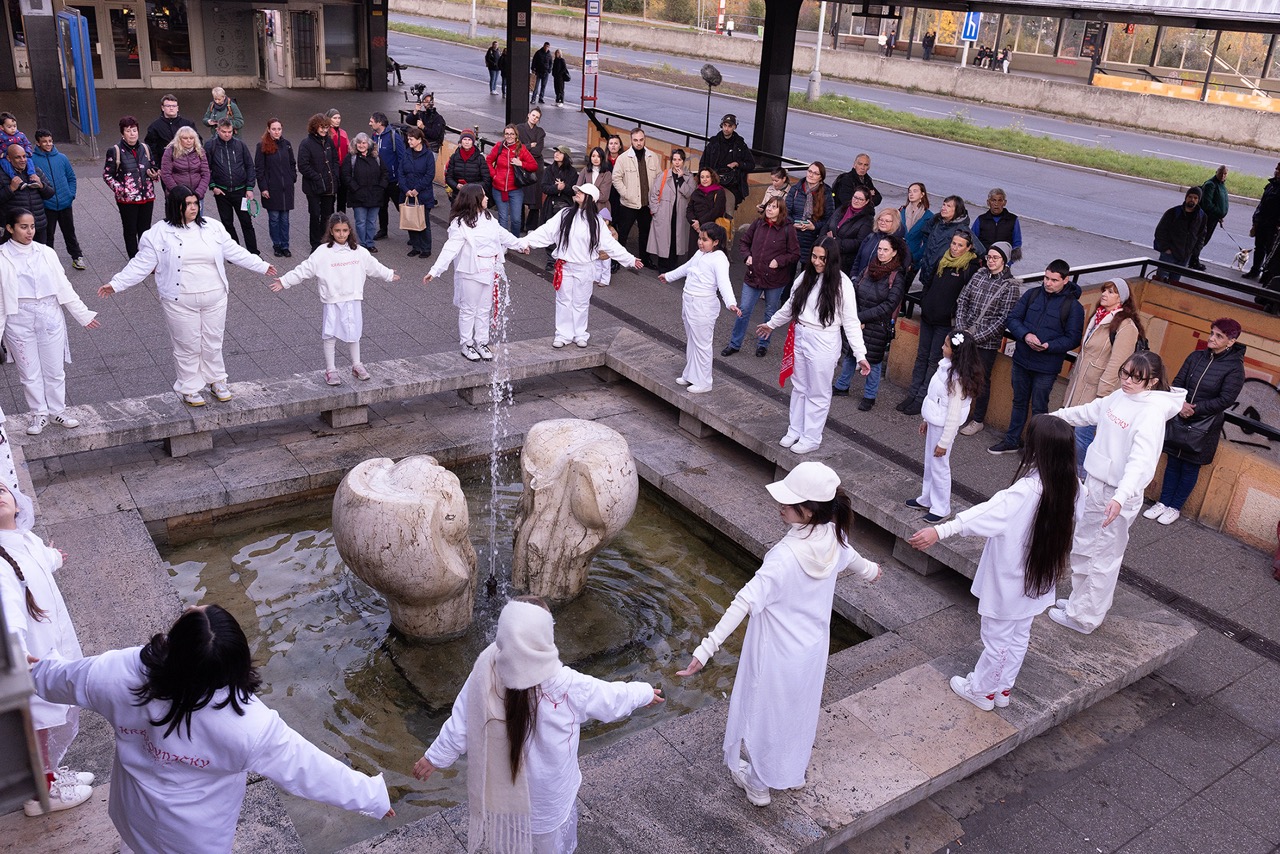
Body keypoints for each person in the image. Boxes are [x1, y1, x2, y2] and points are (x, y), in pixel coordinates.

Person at [32, 605, 393, 851]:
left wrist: (37, 668)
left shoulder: (119, 673)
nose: (193, 605)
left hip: (133, 812)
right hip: (196, 835)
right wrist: (372, 797)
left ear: (173, 646)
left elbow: (60, 679)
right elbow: (310, 769)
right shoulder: (248, 725)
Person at [677, 462, 880, 807]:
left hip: (775, 653)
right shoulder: (833, 538)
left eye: (789, 502)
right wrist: (874, 572)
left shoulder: (784, 557)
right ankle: (791, 771)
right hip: (811, 650)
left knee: (765, 715)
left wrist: (704, 650)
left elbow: (743, 602)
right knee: (798, 712)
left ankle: (758, 783)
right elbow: (858, 561)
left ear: (810, 510)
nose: (781, 507)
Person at [416, 597, 660, 851]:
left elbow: (463, 721)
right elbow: (612, 699)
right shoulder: (566, 685)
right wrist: (644, 693)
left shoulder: (488, 668)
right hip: (549, 797)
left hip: (506, 795)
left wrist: (435, 757)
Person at [908, 415, 1078, 710]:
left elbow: (983, 515)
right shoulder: (1073, 486)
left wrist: (939, 530)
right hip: (1040, 574)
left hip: (1009, 576)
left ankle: (982, 690)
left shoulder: (1024, 492)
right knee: (1019, 634)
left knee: (997, 638)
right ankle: (1003, 689)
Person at [99, 185, 276, 407]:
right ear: (176, 206)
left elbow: (233, 250)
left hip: (215, 296)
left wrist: (261, 265)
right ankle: (190, 387)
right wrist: (116, 284)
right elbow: (140, 265)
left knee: (213, 341)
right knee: (187, 345)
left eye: (195, 203)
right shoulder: (158, 234)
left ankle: (216, 380)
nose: (194, 208)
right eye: (188, 204)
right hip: (179, 300)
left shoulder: (213, 227)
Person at [1048, 352, 1186, 634]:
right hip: (1098, 482)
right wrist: (1054, 418)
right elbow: (1090, 411)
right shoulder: (1120, 396)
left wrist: (1120, 498)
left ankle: (1085, 617)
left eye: (1137, 377)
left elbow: (1141, 463)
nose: (1128, 381)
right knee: (1086, 547)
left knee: (1102, 556)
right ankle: (1080, 603)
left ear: (1153, 382)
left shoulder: (1151, 412)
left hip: (1116, 492)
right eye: (1126, 373)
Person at [0, 481, 92, 815]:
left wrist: (55, 557)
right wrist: (15, 648)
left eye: (0, 489)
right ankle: (42, 795)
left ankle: (49, 775)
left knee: (50, 717)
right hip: (33, 656)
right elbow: (8, 609)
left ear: (18, 504)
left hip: (53, 646)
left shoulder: (27, 540)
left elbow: (43, 558)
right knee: (39, 722)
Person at [757, 237, 870, 454]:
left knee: (818, 390)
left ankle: (811, 436)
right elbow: (791, 306)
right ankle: (795, 429)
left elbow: (851, 321)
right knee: (799, 386)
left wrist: (860, 354)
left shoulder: (842, 284)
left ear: (832, 260)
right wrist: (771, 324)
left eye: (822, 259)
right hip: (801, 333)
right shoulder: (805, 276)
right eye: (814, 257)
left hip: (824, 339)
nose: (817, 262)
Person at [0, 209, 99, 433]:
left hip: (49, 316)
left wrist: (82, 314)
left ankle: (57, 411)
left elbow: (63, 286)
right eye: (23, 227)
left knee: (54, 369)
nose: (29, 231)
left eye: (32, 226)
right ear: (10, 228)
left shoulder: (46, 252)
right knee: (29, 372)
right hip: (18, 320)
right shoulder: (2, 256)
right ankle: (38, 414)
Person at [271, 212, 397, 385]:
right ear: (331, 231)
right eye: (337, 231)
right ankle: (330, 369)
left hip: (352, 298)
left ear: (350, 231)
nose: (341, 234)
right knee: (330, 334)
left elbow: (374, 266)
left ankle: (357, 365)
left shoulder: (359, 252)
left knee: (354, 333)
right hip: (332, 300)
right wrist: (285, 281)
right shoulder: (322, 253)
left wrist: (389, 274)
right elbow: (304, 269)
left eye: (345, 230)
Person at [1145, 318, 1245, 526]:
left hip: (1205, 425)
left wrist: (1195, 409)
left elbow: (1226, 399)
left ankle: (1175, 508)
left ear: (1231, 341)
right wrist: (1181, 405)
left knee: (1190, 467)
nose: (1212, 338)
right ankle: (1163, 502)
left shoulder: (1234, 368)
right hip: (1181, 417)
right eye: (1212, 333)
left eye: (1219, 336)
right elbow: (1179, 382)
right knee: (1172, 461)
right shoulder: (1196, 356)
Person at [518, 182, 640, 348]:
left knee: (581, 302)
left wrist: (630, 259)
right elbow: (546, 231)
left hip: (585, 267)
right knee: (563, 301)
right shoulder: (565, 214)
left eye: (581, 192)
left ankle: (580, 333)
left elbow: (610, 245)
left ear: (589, 198)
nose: (576, 194)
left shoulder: (596, 223)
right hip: (565, 266)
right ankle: (562, 334)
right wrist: (524, 243)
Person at [989, 257, 1083, 454]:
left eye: (1054, 280)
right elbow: (1013, 319)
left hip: (1046, 367)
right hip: (1022, 359)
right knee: (1019, 402)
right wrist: (1025, 335)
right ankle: (1012, 440)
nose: (1048, 283)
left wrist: (1049, 346)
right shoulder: (1032, 294)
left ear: (1066, 280)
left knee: (1040, 409)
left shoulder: (1073, 306)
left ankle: (1035, 449)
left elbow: (1073, 338)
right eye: (1046, 278)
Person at [425, 183, 524, 362]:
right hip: (470, 271)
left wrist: (520, 245)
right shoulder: (460, 224)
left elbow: (502, 234)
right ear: (474, 199)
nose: (487, 198)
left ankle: (481, 342)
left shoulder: (488, 218)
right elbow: (450, 248)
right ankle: (467, 344)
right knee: (469, 309)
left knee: (484, 309)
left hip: (489, 269)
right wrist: (435, 270)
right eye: (484, 195)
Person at [1062, 277, 1144, 476]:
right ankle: (1065, 472)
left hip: (1097, 388)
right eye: (1104, 290)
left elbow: (1118, 363)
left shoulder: (1125, 326)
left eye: (1111, 292)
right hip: (1080, 383)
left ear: (1121, 298)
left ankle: (1080, 475)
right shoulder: (1097, 316)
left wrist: (1103, 393)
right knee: (1070, 430)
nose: (1104, 295)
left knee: (1083, 434)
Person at [899, 230, 979, 416]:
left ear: (968, 248)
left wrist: (951, 314)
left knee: (934, 360)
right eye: (953, 243)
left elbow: (966, 299)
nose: (955, 247)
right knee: (921, 357)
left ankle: (921, 398)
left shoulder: (969, 268)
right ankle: (912, 394)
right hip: (928, 317)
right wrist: (925, 303)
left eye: (960, 245)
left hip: (945, 323)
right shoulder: (942, 260)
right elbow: (928, 284)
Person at [907, 330, 984, 523]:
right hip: (935, 422)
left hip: (943, 428)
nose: (942, 347)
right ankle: (927, 498)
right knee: (930, 463)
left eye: (946, 345)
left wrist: (944, 442)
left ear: (956, 352)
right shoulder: (946, 368)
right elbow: (935, 397)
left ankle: (941, 508)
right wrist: (927, 419)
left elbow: (953, 415)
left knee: (939, 466)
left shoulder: (957, 379)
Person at [660, 222, 741, 393]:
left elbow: (724, 283)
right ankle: (690, 374)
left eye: (705, 240)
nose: (700, 242)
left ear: (716, 242)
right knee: (692, 341)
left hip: (703, 305)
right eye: (700, 238)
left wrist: (731, 303)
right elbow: (686, 267)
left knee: (702, 344)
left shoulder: (719, 259)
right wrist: (668, 276)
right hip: (689, 301)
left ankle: (704, 381)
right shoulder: (699, 253)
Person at [833, 234, 908, 410]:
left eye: (886, 250)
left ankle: (869, 396)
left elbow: (889, 305)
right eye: (880, 249)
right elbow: (854, 290)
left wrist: (861, 318)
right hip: (858, 319)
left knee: (873, 361)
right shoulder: (868, 268)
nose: (881, 253)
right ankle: (842, 386)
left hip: (876, 326)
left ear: (894, 253)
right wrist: (855, 316)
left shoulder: (896, 277)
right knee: (851, 354)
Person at [954, 236, 1019, 437]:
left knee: (981, 380)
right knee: (958, 373)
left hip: (985, 343)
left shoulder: (1010, 286)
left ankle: (978, 419)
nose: (991, 261)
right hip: (965, 334)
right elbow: (963, 299)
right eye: (989, 257)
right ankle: (957, 411)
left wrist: (976, 337)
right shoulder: (980, 274)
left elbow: (1002, 319)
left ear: (1004, 260)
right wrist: (961, 327)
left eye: (995, 258)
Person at [723, 196, 799, 358]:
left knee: (770, 312)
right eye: (769, 205)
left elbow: (794, 254)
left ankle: (763, 344)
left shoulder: (788, 228)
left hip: (775, 279)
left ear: (781, 211)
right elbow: (744, 242)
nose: (770, 209)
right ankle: (734, 344)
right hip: (753, 275)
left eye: (774, 207)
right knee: (743, 310)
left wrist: (778, 261)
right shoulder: (758, 224)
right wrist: (747, 256)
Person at [102, 116, 159, 259]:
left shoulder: (145, 148)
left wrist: (154, 173)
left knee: (145, 230)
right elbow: (107, 175)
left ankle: (145, 258)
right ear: (122, 133)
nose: (132, 133)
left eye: (134, 130)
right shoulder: (114, 151)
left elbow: (153, 166)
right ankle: (134, 259)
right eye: (128, 131)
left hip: (147, 196)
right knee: (130, 229)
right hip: (127, 199)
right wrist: (121, 189)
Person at [31, 131, 85, 269]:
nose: (48, 144)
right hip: (47, 205)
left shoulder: (62, 158)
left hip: (65, 203)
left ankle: (77, 256)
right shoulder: (32, 160)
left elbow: (71, 177)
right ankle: (49, 262)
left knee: (69, 232)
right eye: (44, 141)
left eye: (50, 141)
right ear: (38, 143)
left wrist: (70, 194)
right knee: (48, 235)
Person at [205, 119, 259, 254]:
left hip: (241, 192)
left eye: (229, 132)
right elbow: (205, 168)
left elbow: (250, 166)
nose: (227, 135)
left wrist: (250, 188)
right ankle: (234, 252)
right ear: (217, 130)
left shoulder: (240, 145)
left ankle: (253, 252)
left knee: (246, 222)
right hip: (222, 193)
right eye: (224, 132)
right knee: (227, 223)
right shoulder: (210, 145)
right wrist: (213, 187)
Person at [612, 128, 662, 265]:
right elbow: (616, 178)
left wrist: (655, 198)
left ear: (644, 139)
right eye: (635, 140)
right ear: (631, 140)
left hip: (646, 204)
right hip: (629, 204)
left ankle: (645, 259)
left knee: (645, 233)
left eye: (641, 140)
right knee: (623, 233)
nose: (638, 143)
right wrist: (626, 194)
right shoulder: (623, 158)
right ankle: (618, 259)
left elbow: (659, 178)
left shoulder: (653, 157)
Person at [645, 148, 694, 273]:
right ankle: (663, 266)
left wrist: (681, 179)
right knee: (663, 239)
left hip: (680, 215)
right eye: (674, 160)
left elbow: (689, 193)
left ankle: (673, 266)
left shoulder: (688, 177)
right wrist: (655, 210)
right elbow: (654, 193)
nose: (677, 162)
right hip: (664, 213)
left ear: (683, 161)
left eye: (679, 160)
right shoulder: (664, 175)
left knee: (675, 240)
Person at [917, 195, 979, 292]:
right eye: (943, 205)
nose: (943, 208)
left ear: (957, 210)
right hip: (927, 273)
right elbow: (925, 230)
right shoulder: (938, 222)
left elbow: (979, 250)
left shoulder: (961, 229)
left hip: (942, 278)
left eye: (948, 206)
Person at [255, 118, 297, 259]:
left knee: (285, 219)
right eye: (274, 129)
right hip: (271, 188)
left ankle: (285, 245)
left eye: (279, 129)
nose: (277, 131)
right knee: (274, 218)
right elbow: (259, 170)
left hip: (286, 188)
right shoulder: (262, 146)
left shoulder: (287, 145)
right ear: (268, 129)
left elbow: (292, 163)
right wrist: (263, 188)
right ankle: (277, 245)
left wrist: (292, 178)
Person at [486, 124, 538, 236]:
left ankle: (514, 240)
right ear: (504, 135)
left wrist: (521, 163)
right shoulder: (499, 146)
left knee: (516, 219)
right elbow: (488, 161)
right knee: (503, 218)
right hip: (499, 189)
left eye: (512, 134)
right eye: (507, 134)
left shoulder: (521, 148)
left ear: (516, 135)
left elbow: (534, 166)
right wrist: (494, 175)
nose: (509, 136)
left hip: (515, 189)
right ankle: (503, 243)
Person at [298, 113, 339, 251]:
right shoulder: (306, 143)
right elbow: (303, 165)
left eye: (326, 127)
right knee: (315, 215)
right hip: (313, 187)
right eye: (321, 127)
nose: (324, 130)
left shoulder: (329, 141)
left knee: (327, 215)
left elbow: (334, 160)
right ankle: (315, 244)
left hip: (329, 186)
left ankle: (326, 240)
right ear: (314, 127)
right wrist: (317, 177)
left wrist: (334, 175)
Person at [699, 114, 755, 213]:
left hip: (732, 185)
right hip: (713, 181)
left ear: (734, 127)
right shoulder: (713, 143)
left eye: (730, 126)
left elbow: (751, 164)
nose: (726, 128)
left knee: (728, 206)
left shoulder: (740, 144)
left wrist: (738, 164)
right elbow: (703, 163)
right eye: (725, 125)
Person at [343, 132, 388, 253]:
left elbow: (384, 173)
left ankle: (370, 243)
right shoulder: (351, 157)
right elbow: (346, 176)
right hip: (358, 196)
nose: (361, 145)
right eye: (359, 143)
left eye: (364, 143)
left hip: (375, 195)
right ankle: (362, 244)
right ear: (355, 143)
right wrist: (355, 188)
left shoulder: (376, 157)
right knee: (361, 222)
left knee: (372, 222)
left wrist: (381, 187)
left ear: (368, 144)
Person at [0, 143, 52, 245]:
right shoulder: (1, 174)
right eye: (18, 157)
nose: (23, 160)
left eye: (24, 156)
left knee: (39, 257)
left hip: (38, 225)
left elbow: (50, 193)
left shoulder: (35, 171)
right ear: (9, 158)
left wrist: (41, 185)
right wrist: (10, 189)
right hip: (15, 229)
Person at [1153, 187, 1206, 283]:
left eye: (1195, 198)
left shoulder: (1202, 216)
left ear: (1199, 200)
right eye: (1190, 197)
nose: (1192, 200)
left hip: (1184, 257)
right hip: (1169, 255)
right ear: (1186, 197)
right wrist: (1166, 249)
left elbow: (1201, 235)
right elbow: (1160, 231)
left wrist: (1194, 251)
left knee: (1174, 284)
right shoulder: (1173, 212)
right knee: (1160, 282)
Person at [785, 161, 833, 267]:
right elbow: (785, 212)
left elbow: (829, 219)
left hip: (812, 239)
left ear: (821, 177)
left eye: (816, 173)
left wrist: (814, 226)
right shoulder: (795, 189)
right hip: (793, 236)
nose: (811, 175)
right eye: (809, 171)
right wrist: (792, 223)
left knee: (807, 275)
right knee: (787, 273)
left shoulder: (826, 194)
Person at [399, 126, 437, 259]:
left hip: (423, 194)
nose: (409, 142)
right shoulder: (406, 153)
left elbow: (429, 174)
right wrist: (406, 189)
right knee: (411, 221)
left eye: (411, 139)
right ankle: (416, 247)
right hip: (408, 193)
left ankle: (426, 248)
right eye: (408, 139)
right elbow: (401, 173)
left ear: (419, 140)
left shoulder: (428, 155)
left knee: (423, 221)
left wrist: (417, 189)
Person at [824, 186, 876, 276]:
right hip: (827, 253)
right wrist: (823, 240)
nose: (856, 201)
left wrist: (836, 243)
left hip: (844, 261)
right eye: (855, 197)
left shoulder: (867, 220)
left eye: (860, 199)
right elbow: (828, 225)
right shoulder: (842, 208)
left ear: (866, 201)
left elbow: (860, 242)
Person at [368, 112, 402, 241]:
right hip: (380, 179)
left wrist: (400, 177)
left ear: (380, 122)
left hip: (393, 180)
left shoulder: (394, 136)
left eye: (372, 121)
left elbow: (401, 157)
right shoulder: (374, 136)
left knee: (401, 207)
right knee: (382, 206)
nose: (369, 123)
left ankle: (412, 232)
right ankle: (383, 230)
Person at [850, 207, 906, 282]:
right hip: (859, 281)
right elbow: (858, 258)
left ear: (894, 223)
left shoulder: (898, 243)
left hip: (879, 287)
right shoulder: (871, 237)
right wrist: (854, 276)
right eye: (881, 219)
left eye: (887, 221)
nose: (883, 223)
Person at [1244, 162, 1280, 280]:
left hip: (1273, 226)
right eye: (1276, 169)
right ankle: (1255, 270)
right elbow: (1261, 205)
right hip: (1262, 223)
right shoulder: (1270, 185)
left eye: (1279, 170)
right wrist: (1256, 219)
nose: (1276, 171)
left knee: (1270, 251)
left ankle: (1266, 275)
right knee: (1259, 248)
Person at [1191, 165, 1229, 271]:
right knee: (1201, 240)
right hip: (1208, 218)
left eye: (1225, 173)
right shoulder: (1210, 185)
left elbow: (1219, 202)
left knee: (1204, 240)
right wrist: (1218, 213)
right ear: (1216, 172)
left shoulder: (1221, 185)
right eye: (1221, 173)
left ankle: (1193, 258)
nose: (1222, 175)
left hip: (1215, 218)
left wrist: (1220, 216)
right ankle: (1193, 260)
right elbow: (1207, 204)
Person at [161, 126, 210, 203]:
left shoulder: (200, 151)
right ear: (179, 139)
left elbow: (206, 174)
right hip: (177, 196)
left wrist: (198, 193)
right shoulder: (170, 151)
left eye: (191, 138)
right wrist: (179, 192)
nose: (189, 141)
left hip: (196, 195)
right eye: (185, 138)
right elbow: (166, 174)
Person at [973, 188, 1022, 265]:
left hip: (1003, 264)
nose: (996, 204)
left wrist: (1008, 263)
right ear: (988, 202)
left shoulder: (1013, 220)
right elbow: (972, 240)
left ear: (1004, 203)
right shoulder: (981, 219)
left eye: (1000, 200)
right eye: (993, 200)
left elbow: (1017, 244)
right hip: (983, 263)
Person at [516, 108, 546, 231]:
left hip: (536, 166)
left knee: (535, 198)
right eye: (533, 115)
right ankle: (519, 225)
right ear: (528, 115)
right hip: (521, 164)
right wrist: (529, 145)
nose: (534, 118)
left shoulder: (540, 132)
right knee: (520, 197)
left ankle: (531, 227)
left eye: (537, 117)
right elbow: (517, 147)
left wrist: (524, 147)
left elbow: (538, 150)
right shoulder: (519, 128)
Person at [899, 181, 934, 286]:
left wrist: (914, 258)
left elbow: (927, 242)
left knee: (904, 288)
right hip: (897, 256)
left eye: (915, 191)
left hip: (913, 258)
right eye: (909, 191)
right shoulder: (902, 211)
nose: (911, 194)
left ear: (922, 194)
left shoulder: (928, 216)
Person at [687, 167, 727, 253]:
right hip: (695, 229)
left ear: (712, 178)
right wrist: (694, 222)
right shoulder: (696, 192)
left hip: (711, 229)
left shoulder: (719, 192)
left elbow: (717, 211)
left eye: (707, 177)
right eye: (702, 177)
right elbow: (689, 209)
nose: (705, 179)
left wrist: (700, 223)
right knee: (695, 256)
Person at [445, 129, 491, 199]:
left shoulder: (480, 158)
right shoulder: (454, 157)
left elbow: (486, 180)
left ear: (473, 142)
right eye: (464, 139)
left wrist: (470, 187)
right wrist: (456, 185)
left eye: (469, 140)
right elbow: (448, 177)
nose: (467, 142)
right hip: (458, 195)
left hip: (474, 196)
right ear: (461, 141)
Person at [575, 145, 612, 214]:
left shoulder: (607, 174)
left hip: (601, 208)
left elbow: (604, 196)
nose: (595, 159)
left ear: (602, 158)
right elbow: (578, 188)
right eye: (593, 156)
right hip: (585, 207)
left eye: (598, 156)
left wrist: (586, 196)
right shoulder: (585, 170)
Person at [326, 109, 350, 213]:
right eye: (334, 118)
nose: (337, 120)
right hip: (331, 168)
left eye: (339, 118)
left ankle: (341, 220)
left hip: (342, 168)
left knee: (342, 198)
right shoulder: (326, 133)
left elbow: (349, 148)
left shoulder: (343, 133)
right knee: (330, 199)